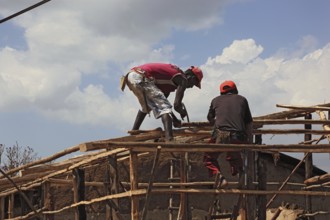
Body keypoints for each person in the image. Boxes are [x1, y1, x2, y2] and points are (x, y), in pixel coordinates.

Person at [122, 63, 203, 142]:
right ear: (191, 77)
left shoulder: (168, 82)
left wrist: (175, 120)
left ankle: (133, 134)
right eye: (194, 83)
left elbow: (162, 103)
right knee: (165, 108)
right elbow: (176, 105)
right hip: (142, 77)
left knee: (147, 107)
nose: (192, 86)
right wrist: (182, 112)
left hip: (132, 76)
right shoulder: (182, 79)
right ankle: (169, 139)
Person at [204, 80, 253, 188]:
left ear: (221, 92)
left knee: (209, 157)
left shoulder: (215, 100)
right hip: (238, 136)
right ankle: (241, 173)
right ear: (235, 90)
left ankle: (220, 178)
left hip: (220, 135)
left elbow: (210, 118)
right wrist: (249, 142)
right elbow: (249, 122)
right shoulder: (242, 99)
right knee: (233, 154)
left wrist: (215, 121)